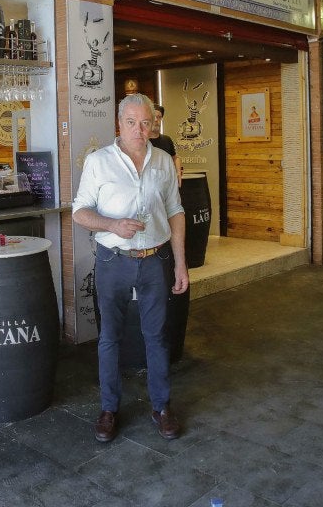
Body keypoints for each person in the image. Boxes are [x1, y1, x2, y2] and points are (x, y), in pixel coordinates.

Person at [72, 93, 190, 443]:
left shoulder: (165, 161)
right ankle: (109, 408)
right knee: (110, 336)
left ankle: (161, 406)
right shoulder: (98, 162)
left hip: (155, 260)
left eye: (146, 122)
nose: (140, 130)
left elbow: (176, 211)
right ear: (118, 124)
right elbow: (80, 211)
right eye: (132, 122)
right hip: (113, 260)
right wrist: (111, 225)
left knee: (156, 336)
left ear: (154, 124)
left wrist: (181, 263)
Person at [151, 105, 182, 184]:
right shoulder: (143, 141)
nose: (156, 120)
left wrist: (178, 172)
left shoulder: (167, 140)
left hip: (166, 182)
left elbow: (175, 158)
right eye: (153, 116)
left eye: (159, 117)